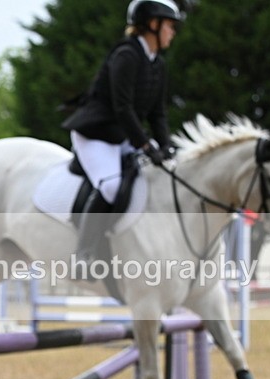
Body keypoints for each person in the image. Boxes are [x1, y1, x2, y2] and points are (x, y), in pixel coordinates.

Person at [62, 0, 183, 265]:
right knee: (111, 186)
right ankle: (83, 254)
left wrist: (167, 146)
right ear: (153, 24)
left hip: (124, 135)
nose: (172, 32)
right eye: (170, 26)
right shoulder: (126, 55)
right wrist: (145, 146)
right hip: (96, 133)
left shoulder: (157, 64)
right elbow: (122, 108)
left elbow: (157, 113)